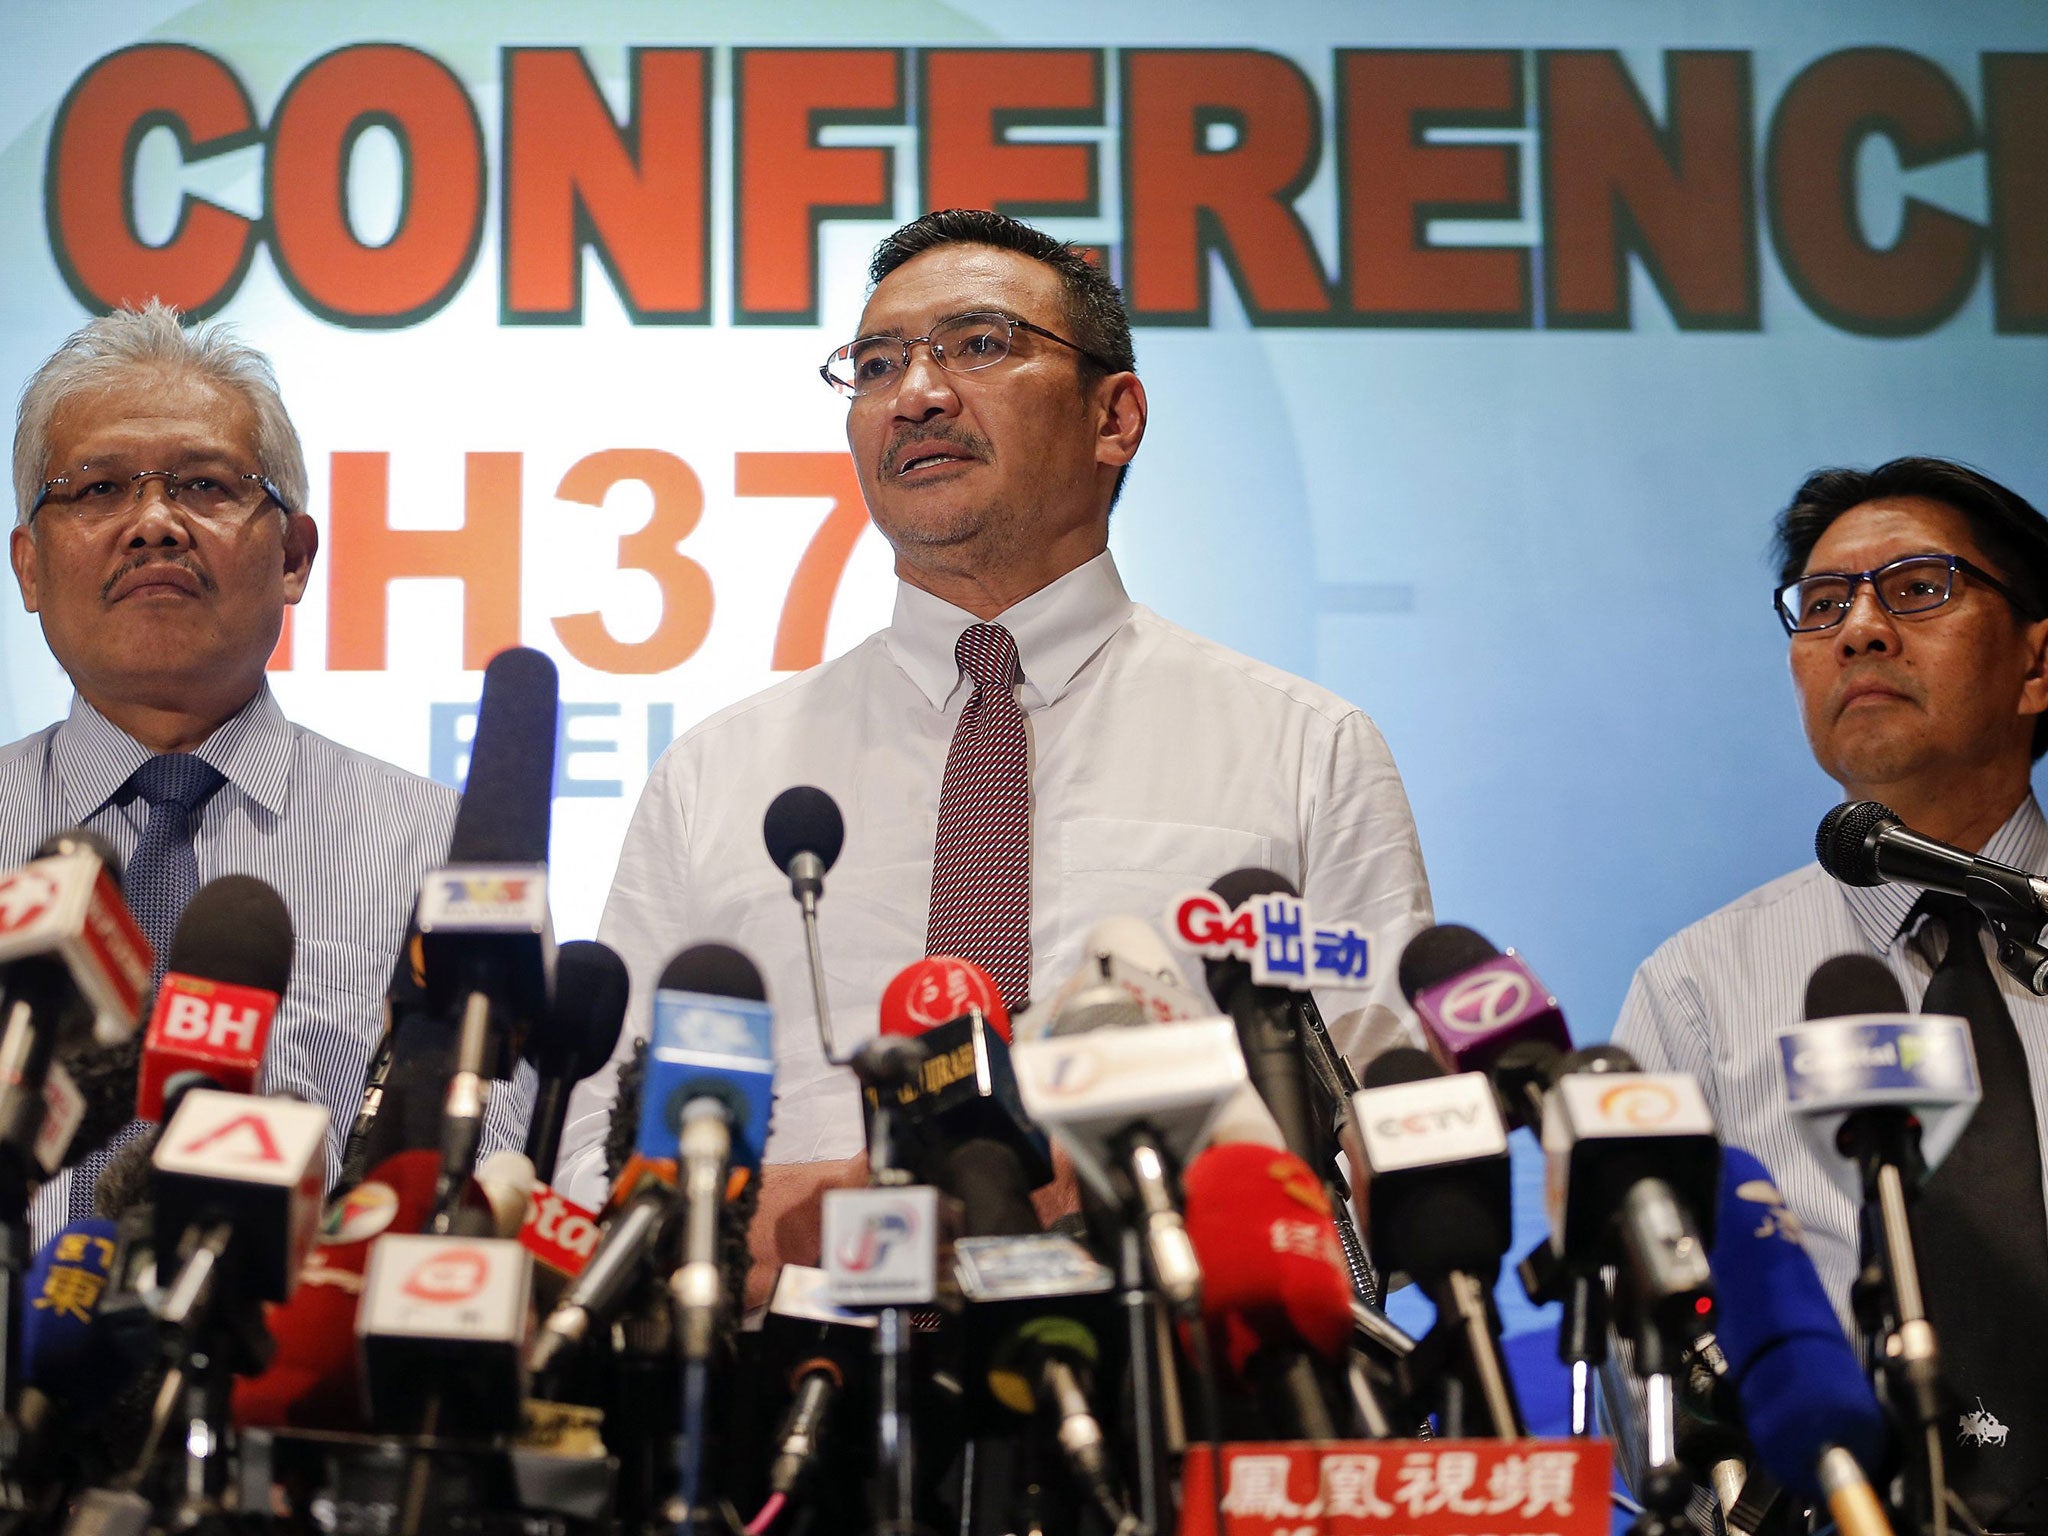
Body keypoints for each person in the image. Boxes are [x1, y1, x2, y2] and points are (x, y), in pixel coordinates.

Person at [558, 210, 1432, 1299]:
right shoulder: (718, 779)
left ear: (1113, 416)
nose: (915, 394)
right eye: (876, 365)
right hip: (800, 1401)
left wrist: (1129, 1192)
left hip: (1182, 1395)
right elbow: (595, 1167)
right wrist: (841, 1222)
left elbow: (1395, 1154)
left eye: (978, 345)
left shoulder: (1302, 749)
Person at [0, 302, 527, 1232]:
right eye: (97, 491)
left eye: (205, 485)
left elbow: (490, 1185)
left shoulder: (440, 855)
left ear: (294, 556)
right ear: (30, 567)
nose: (154, 524)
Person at [1615, 456, 2048, 1532]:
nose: (1857, 629)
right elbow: (1643, 1362)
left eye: (1915, 588)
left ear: (2035, 663)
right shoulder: (1694, 991)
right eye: (1820, 605)